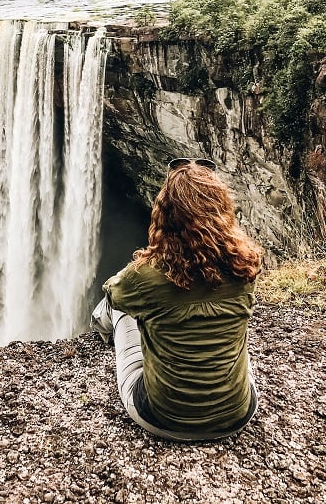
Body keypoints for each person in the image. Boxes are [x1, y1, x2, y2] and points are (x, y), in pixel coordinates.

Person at [91, 157, 263, 441]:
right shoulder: (246, 267)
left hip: (162, 417)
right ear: (222, 210)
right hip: (237, 415)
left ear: (165, 214)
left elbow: (113, 292)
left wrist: (149, 256)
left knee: (122, 309)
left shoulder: (144, 278)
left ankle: (100, 331)